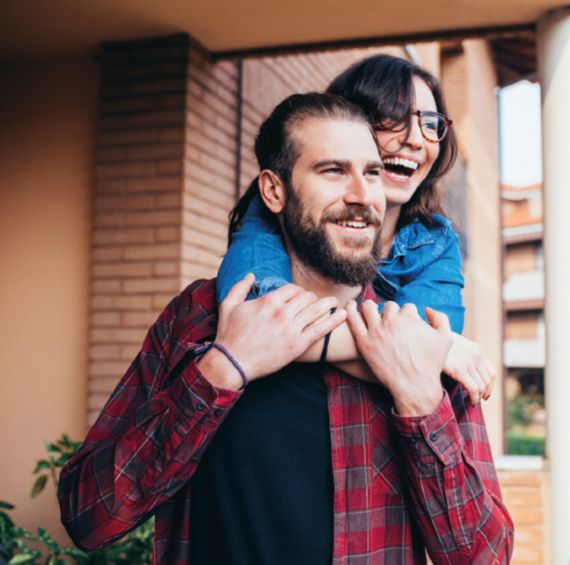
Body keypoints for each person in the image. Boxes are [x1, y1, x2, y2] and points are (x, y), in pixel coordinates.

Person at [58, 92, 513, 565]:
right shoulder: (198, 318)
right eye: (333, 171)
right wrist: (222, 368)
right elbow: (88, 516)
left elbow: (485, 557)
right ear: (274, 191)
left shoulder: (419, 340)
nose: (362, 196)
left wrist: (420, 401)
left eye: (373, 173)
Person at [219, 54, 494, 404]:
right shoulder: (273, 213)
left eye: (430, 122)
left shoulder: (434, 242)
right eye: (393, 116)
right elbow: (257, 316)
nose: (415, 139)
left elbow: (427, 354)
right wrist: (426, 347)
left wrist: (429, 348)